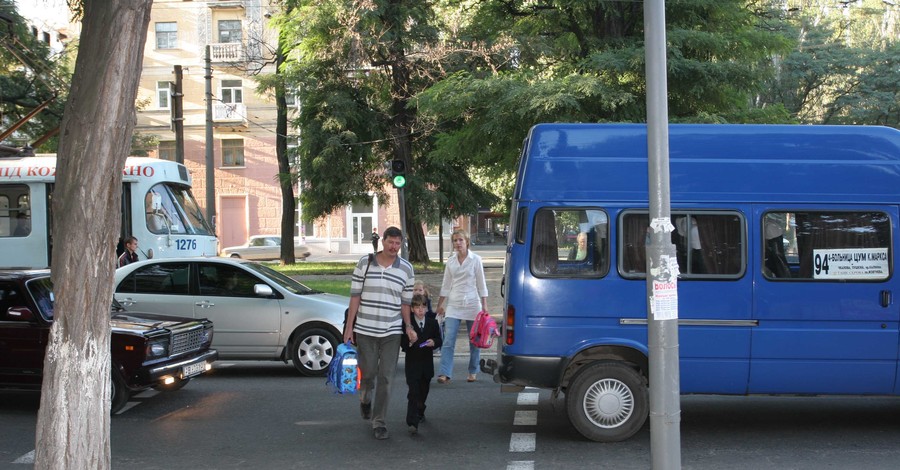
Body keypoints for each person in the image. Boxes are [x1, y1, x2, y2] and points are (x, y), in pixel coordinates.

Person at [343, 226, 415, 440]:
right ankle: (365, 399)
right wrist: (349, 328)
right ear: (382, 241)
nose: (394, 247)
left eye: (397, 243)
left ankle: (379, 421)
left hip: (391, 332)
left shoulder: (407, 269)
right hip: (365, 330)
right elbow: (355, 297)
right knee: (368, 375)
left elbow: (406, 303)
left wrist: (409, 327)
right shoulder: (365, 263)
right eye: (390, 242)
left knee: (386, 377)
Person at [436, 229, 488, 384]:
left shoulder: (476, 259)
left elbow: (481, 283)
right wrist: (440, 305)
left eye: (460, 240)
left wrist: (485, 306)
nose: (457, 243)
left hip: (472, 304)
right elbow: (446, 285)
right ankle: (444, 373)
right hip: (454, 304)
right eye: (455, 240)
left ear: (466, 241)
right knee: (448, 340)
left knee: (474, 341)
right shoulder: (451, 261)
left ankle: (473, 370)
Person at [400, 294, 443, 435]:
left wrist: (434, 342)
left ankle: (420, 409)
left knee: (423, 391)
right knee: (413, 392)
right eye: (417, 307)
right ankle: (412, 422)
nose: (420, 310)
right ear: (412, 309)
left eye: (423, 307)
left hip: (426, 365)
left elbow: (439, 339)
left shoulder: (432, 323)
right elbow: (403, 345)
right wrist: (411, 341)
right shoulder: (407, 325)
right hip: (412, 365)